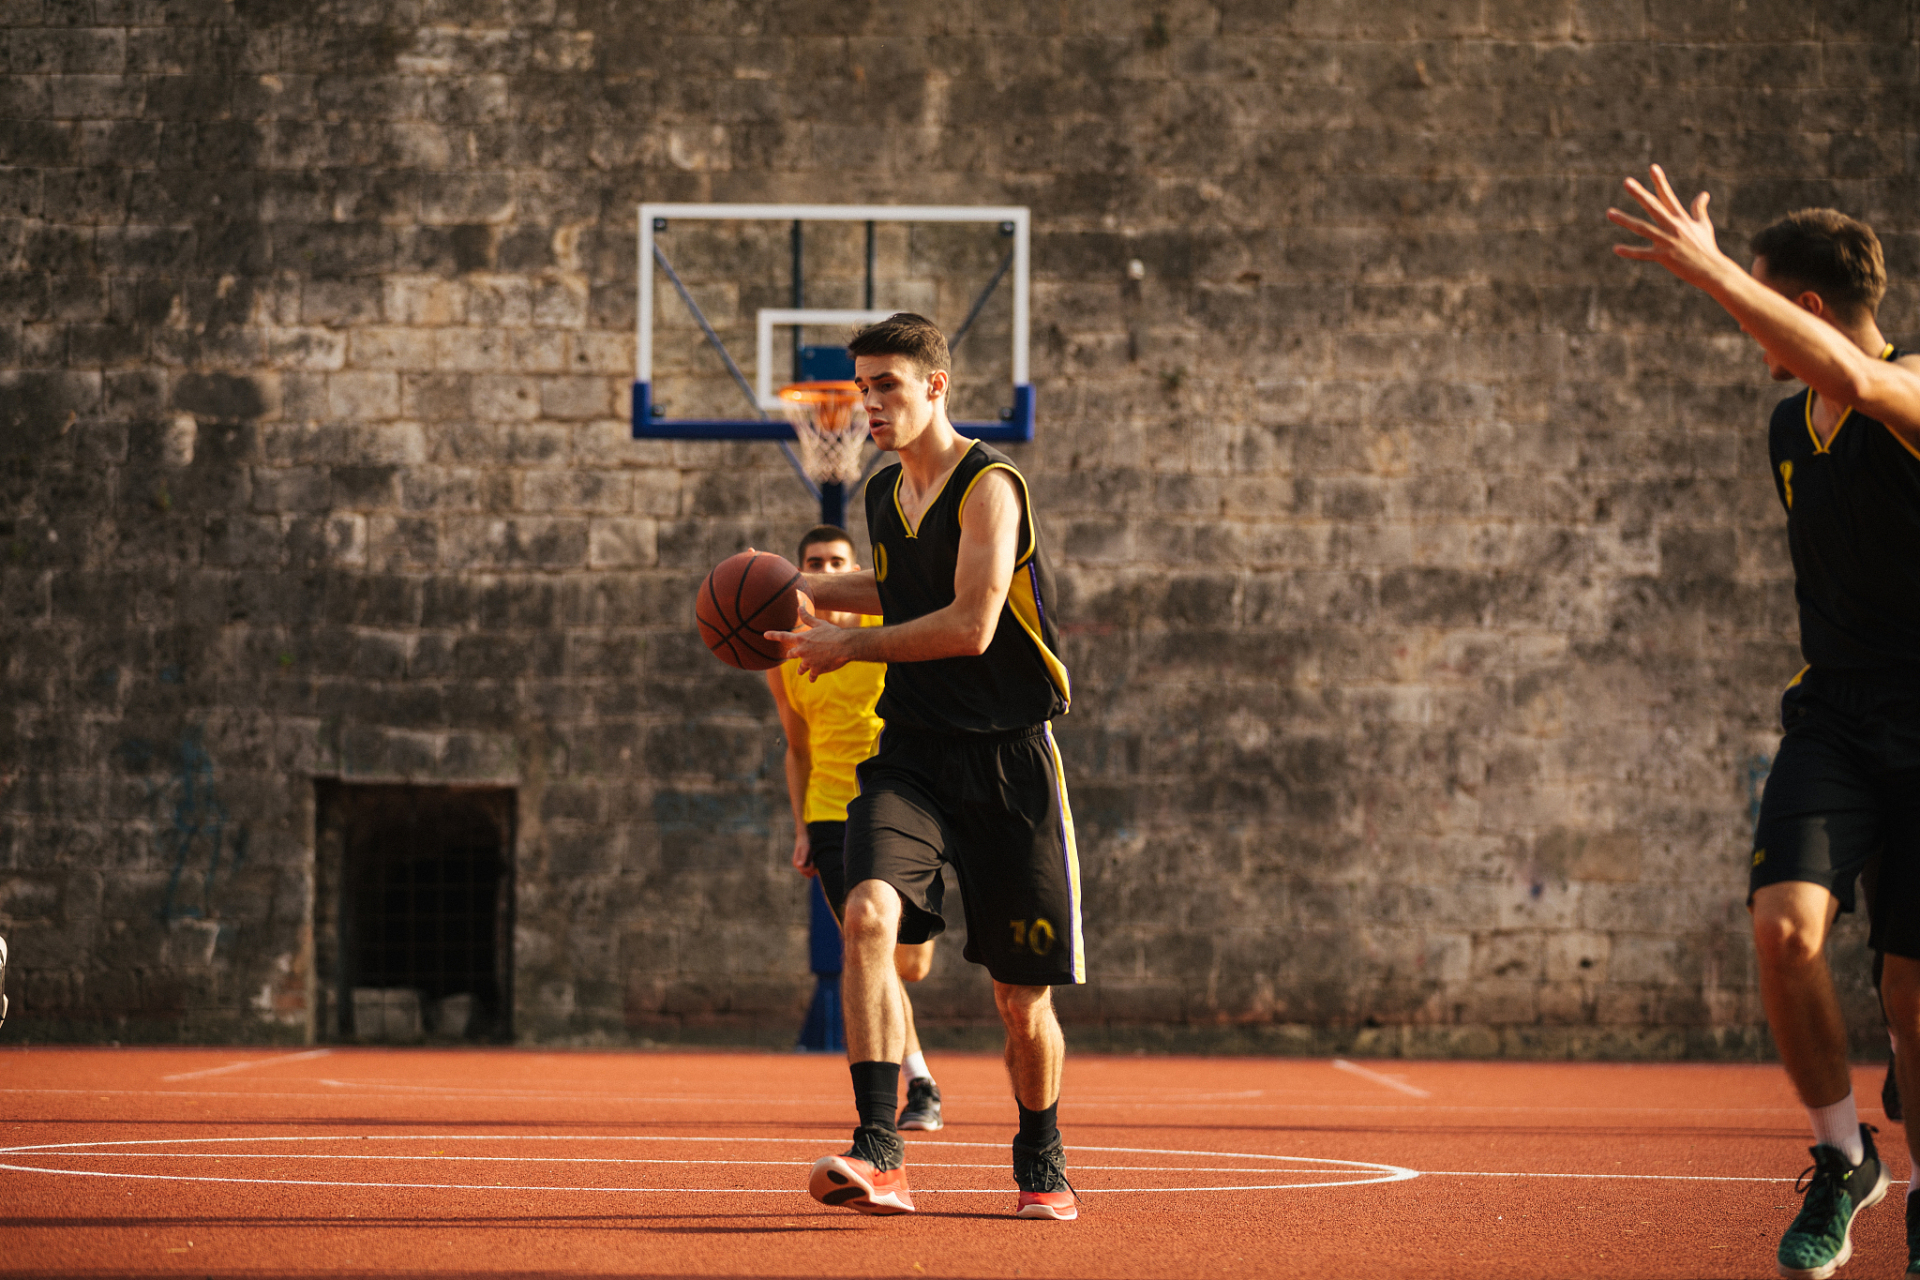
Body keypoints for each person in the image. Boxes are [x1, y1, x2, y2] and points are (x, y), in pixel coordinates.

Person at [1612, 167, 1920, 1280]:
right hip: (1832, 717)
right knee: (1784, 929)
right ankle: (1844, 1155)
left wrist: (1710, 269)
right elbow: (1823, 380)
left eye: (1761, 308)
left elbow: (1856, 372)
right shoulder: (1789, 428)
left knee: (1909, 993)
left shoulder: (1915, 388)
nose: (1751, 333)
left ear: (1814, 308)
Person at [769, 312, 1083, 1221]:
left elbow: (968, 623)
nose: (867, 403)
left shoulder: (991, 487)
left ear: (937, 386)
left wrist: (850, 646)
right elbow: (901, 588)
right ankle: (880, 1148)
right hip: (909, 756)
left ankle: (1042, 1153)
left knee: (1020, 1000)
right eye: (862, 387)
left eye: (886, 386)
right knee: (866, 913)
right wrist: (811, 590)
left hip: (1010, 764)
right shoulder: (878, 494)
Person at [766, 523, 943, 1131]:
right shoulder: (785, 655)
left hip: (896, 802)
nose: (827, 569)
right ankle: (918, 1083)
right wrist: (799, 826)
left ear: (855, 569)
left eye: (838, 561)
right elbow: (796, 747)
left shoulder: (884, 631)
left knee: (910, 963)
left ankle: (917, 1080)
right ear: (802, 573)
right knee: (867, 951)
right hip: (830, 811)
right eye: (815, 562)